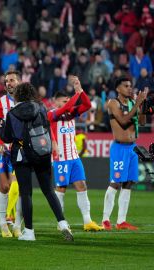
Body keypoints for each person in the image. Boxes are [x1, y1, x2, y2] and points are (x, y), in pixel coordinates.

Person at [0, 82, 73, 241]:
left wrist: (1, 126)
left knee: (26, 194)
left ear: (17, 95)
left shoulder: (12, 113)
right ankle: (63, 223)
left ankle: (29, 232)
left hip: (22, 154)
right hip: (42, 152)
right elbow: (47, 128)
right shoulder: (41, 108)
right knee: (49, 190)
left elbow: (6, 137)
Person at [47, 76, 104, 232]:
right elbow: (66, 108)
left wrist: (80, 90)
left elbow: (86, 104)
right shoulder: (51, 114)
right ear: (55, 102)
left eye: (67, 101)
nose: (66, 104)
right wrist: (76, 95)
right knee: (61, 188)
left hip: (74, 157)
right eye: (63, 102)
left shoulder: (71, 113)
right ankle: (61, 222)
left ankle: (87, 221)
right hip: (61, 159)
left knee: (82, 186)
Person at [102, 77, 147, 231]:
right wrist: (137, 103)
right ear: (118, 89)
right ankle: (105, 219)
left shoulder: (132, 103)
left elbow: (141, 122)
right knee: (115, 182)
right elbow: (122, 120)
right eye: (126, 86)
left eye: (131, 85)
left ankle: (121, 221)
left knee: (128, 183)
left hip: (132, 148)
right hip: (119, 148)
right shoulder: (113, 103)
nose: (129, 88)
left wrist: (143, 105)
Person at [0, 70, 22, 237]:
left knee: (20, 186)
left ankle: (17, 226)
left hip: (23, 149)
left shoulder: (27, 102)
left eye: (12, 80)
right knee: (5, 186)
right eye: (6, 81)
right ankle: (3, 224)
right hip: (6, 150)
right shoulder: (0, 103)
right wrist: (0, 144)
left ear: (19, 82)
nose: (8, 83)